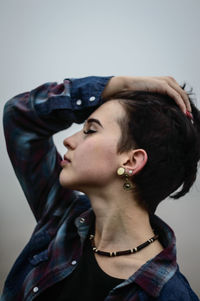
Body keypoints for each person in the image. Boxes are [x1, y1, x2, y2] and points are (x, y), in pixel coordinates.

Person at [1, 75, 199, 300]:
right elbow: (19, 115)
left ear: (131, 161)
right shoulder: (62, 219)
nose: (69, 141)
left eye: (90, 130)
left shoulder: (170, 295)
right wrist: (114, 85)